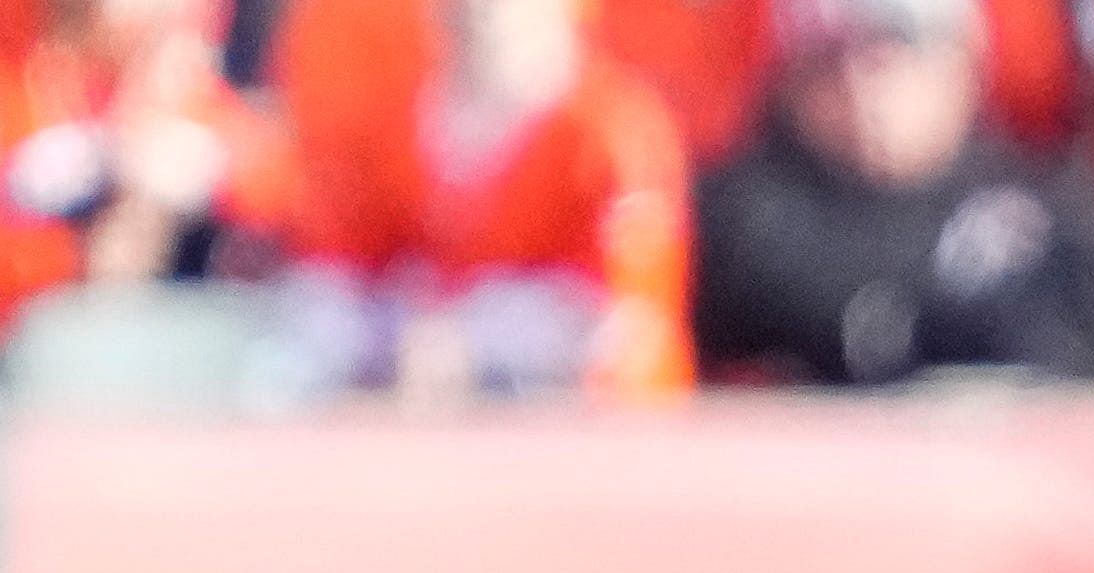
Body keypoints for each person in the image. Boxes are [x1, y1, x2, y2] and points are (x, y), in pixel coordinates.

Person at [690, 0, 1094, 379]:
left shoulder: (1051, 211)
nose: (863, 87)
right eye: (831, 60)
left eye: (892, 56)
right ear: (790, 82)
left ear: (962, 65)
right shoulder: (735, 222)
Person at [275, 0, 692, 393]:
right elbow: (341, 267)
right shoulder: (401, 127)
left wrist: (474, 339)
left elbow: (625, 324)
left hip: (588, 427)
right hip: (435, 426)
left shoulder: (616, 132)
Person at [0, 0, 291, 326]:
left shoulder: (200, 105)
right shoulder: (34, 81)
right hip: (39, 330)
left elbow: (288, 196)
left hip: (174, 335)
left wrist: (221, 184)